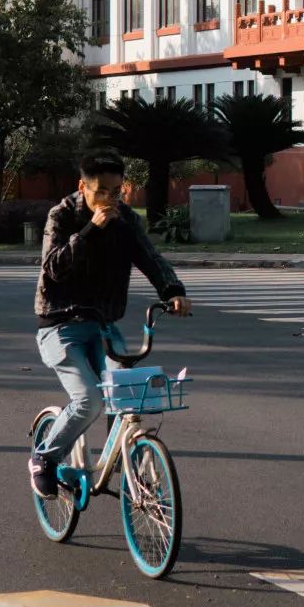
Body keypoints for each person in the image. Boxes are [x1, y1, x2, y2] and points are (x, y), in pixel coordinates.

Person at [29, 153, 191, 499]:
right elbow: (54, 268)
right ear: (82, 187)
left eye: (117, 191)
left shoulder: (126, 220)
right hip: (60, 325)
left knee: (129, 395)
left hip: (102, 325)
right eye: (102, 191)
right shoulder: (62, 216)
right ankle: (44, 457)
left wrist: (173, 291)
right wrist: (90, 230)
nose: (110, 199)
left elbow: (150, 258)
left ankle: (124, 462)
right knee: (89, 399)